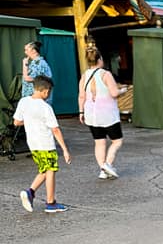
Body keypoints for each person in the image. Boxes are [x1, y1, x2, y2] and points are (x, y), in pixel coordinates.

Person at [14, 75, 70, 213]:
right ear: (45, 91)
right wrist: (65, 149)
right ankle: (51, 203)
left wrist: (30, 120)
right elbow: (55, 130)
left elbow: (16, 122)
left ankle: (30, 192)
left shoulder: (24, 102)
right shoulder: (46, 108)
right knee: (50, 171)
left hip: (33, 145)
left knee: (44, 170)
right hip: (46, 144)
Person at [78, 46, 126, 180]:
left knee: (99, 142)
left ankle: (102, 170)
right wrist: (124, 91)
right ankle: (108, 164)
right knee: (117, 141)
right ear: (100, 59)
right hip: (107, 114)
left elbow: (81, 96)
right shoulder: (106, 74)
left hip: (91, 114)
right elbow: (114, 93)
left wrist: (81, 112)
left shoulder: (84, 76)